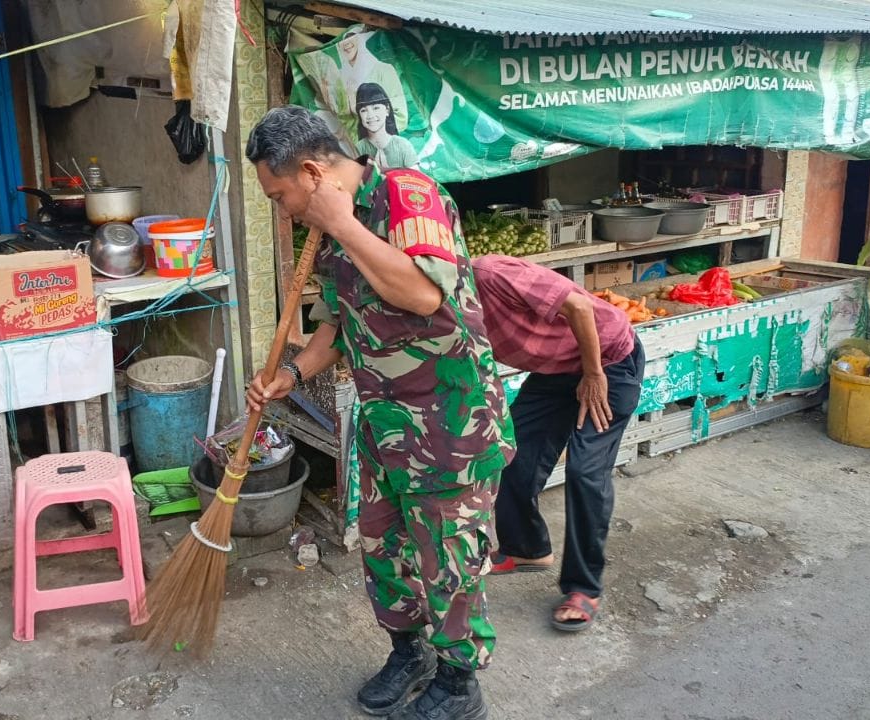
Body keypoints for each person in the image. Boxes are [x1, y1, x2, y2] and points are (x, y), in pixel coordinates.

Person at [245, 106, 513, 720]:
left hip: (451, 422)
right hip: (385, 423)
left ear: (313, 173)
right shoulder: (331, 234)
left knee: (449, 556)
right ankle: (408, 651)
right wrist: (289, 376)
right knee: (385, 547)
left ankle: (457, 682)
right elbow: (336, 326)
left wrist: (343, 222)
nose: (283, 209)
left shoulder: (406, 195)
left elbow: (421, 292)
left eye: (281, 194)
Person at [471, 254, 645, 633]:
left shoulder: (488, 275)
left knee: (586, 471)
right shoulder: (440, 308)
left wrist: (594, 374)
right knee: (511, 452)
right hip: (556, 371)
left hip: (608, 359)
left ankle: (584, 588)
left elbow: (579, 304)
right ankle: (526, 549)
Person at [355, 83, 419, 171]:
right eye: (364, 110)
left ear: (387, 110)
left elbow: (417, 179)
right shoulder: (357, 149)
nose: (370, 115)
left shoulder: (403, 145)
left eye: (376, 108)